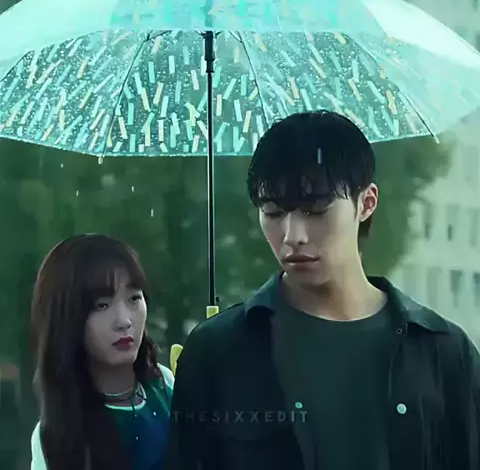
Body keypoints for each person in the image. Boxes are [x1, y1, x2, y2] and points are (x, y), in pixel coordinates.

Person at [165, 111, 480, 470]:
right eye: (273, 212)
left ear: (366, 203)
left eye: (315, 209)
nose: (292, 235)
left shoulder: (444, 353)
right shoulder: (218, 350)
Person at [30, 234, 174, 470]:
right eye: (101, 305)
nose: (124, 321)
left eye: (134, 298)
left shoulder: (165, 384)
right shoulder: (57, 437)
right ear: (67, 317)